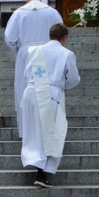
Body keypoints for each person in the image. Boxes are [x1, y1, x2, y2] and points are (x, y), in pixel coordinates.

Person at [19, 23, 80, 188]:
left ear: (50, 35)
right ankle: (41, 173)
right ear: (64, 38)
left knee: (33, 132)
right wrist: (60, 85)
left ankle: (34, 163)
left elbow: (27, 74)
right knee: (50, 135)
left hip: (30, 93)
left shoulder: (34, 51)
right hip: (49, 94)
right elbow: (73, 79)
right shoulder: (66, 54)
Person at [4, 0, 63, 138]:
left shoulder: (19, 13)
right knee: (48, 89)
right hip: (48, 54)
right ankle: (48, 130)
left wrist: (20, 51)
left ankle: (26, 132)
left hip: (27, 54)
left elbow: (9, 38)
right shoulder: (52, 12)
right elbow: (61, 33)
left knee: (25, 91)